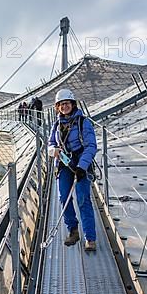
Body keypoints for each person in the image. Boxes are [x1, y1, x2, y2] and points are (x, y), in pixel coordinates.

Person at [47, 88, 98, 250]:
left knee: (83, 199)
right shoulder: (56, 125)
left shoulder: (84, 122)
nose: (64, 107)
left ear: (73, 104)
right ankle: (73, 230)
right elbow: (50, 144)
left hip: (81, 164)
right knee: (64, 197)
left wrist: (82, 167)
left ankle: (90, 238)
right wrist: (53, 151)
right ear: (57, 107)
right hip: (64, 165)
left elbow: (91, 146)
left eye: (67, 103)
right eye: (61, 104)